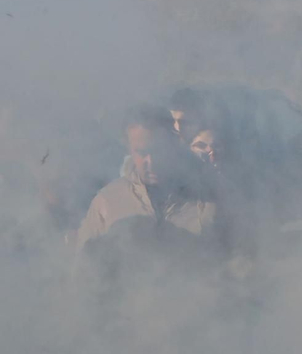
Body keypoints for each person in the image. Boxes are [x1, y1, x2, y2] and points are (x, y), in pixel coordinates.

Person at [77, 105, 216, 250]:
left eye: (158, 150)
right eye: (142, 153)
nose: (151, 162)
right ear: (128, 149)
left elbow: (227, 256)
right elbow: (84, 260)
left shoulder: (205, 199)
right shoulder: (107, 202)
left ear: (172, 144)